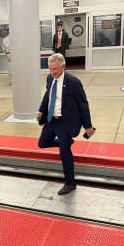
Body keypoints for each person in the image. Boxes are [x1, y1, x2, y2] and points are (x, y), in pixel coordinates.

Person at [37, 53, 94, 195]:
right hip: (51, 119)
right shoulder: (50, 78)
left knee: (64, 153)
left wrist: (88, 126)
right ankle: (66, 142)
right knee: (42, 143)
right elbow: (47, 96)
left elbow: (83, 105)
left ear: (63, 66)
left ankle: (70, 183)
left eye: (55, 69)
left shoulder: (73, 82)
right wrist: (41, 111)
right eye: (50, 69)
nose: (52, 72)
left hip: (65, 122)